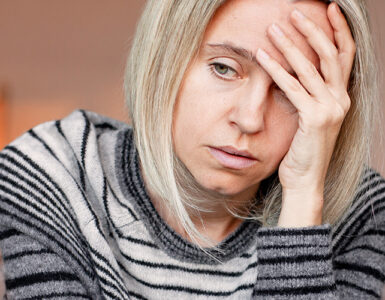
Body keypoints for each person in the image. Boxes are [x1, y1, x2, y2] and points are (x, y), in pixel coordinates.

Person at [0, 0, 384, 298]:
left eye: (293, 86)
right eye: (223, 68)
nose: (250, 119)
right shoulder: (50, 176)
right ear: (164, 57)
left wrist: (302, 197)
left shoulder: (359, 212)